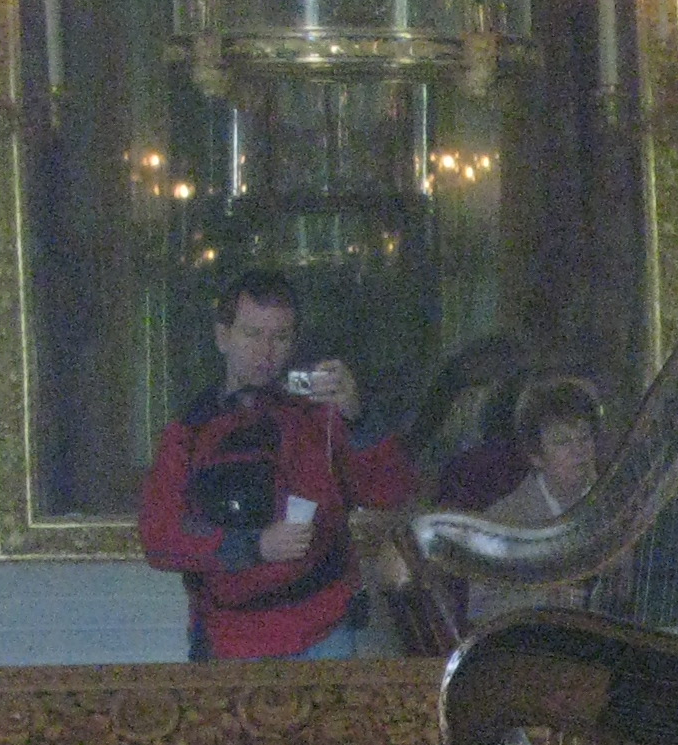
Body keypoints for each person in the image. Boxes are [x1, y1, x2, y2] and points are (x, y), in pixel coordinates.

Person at [138, 270, 419, 660]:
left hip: (324, 626)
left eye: (280, 337)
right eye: (252, 334)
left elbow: (391, 493)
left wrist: (358, 418)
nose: (265, 351)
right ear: (223, 337)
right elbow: (159, 537)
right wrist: (253, 545)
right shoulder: (190, 432)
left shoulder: (319, 418)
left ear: (294, 342)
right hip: (230, 635)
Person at [468, 377, 603, 625]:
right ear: (536, 456)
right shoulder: (503, 520)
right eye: (562, 442)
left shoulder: (615, 507)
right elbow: (479, 611)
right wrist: (543, 598)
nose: (579, 451)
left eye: (584, 437)